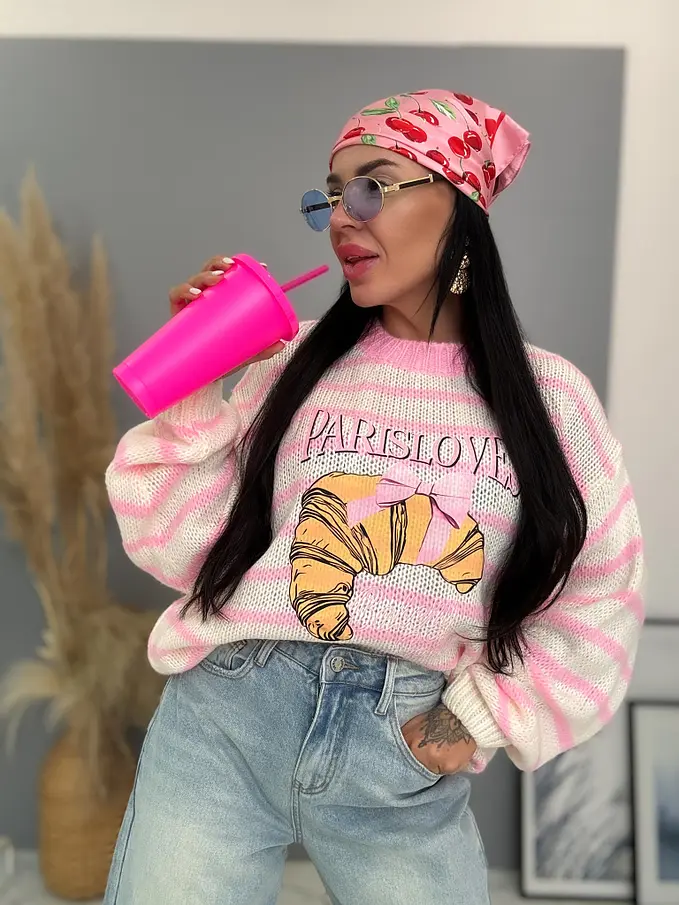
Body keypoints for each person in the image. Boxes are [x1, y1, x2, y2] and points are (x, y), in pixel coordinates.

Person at [103, 89, 645, 905]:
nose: (340, 218)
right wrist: (194, 383)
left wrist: (465, 723)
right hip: (225, 719)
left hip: (400, 746)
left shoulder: (550, 400)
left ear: (457, 204)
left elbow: (602, 588)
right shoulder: (293, 368)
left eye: (371, 187)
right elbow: (187, 549)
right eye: (329, 195)